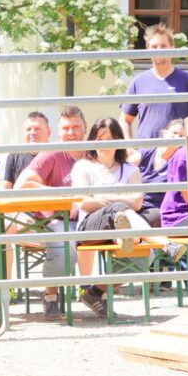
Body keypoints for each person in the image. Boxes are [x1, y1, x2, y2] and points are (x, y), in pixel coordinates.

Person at [69, 117, 149, 318]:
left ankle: (95, 292)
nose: (104, 144)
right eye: (99, 138)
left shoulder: (131, 170)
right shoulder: (82, 167)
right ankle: (159, 240)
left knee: (143, 259)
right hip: (91, 228)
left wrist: (101, 197)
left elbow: (138, 202)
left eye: (109, 138)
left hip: (123, 227)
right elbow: (83, 203)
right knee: (118, 208)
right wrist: (120, 201)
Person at [14, 106, 88, 319]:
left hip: (88, 218)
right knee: (65, 247)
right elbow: (21, 185)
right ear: (58, 131)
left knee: (132, 244)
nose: (71, 133)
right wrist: (62, 196)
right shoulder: (51, 154)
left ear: (85, 128)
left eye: (76, 127)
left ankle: (96, 292)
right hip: (55, 219)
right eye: (66, 128)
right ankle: (50, 297)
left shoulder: (93, 153)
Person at [120, 24, 188, 143]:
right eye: (154, 46)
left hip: (177, 154)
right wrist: (129, 148)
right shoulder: (139, 81)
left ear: (172, 47)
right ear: (147, 49)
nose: (159, 50)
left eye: (163, 46)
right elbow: (125, 120)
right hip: (146, 153)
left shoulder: (187, 80)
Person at [135, 118, 186, 227]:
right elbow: (123, 166)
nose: (177, 137)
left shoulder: (179, 161)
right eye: (175, 133)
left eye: (181, 136)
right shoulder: (145, 153)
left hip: (155, 210)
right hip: (134, 206)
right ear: (165, 133)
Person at [0, 111, 51, 189]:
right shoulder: (13, 156)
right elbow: (3, 191)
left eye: (37, 129)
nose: (32, 133)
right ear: (23, 134)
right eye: (28, 129)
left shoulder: (58, 155)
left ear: (49, 132)